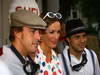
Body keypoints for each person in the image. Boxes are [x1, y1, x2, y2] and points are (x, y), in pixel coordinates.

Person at [0, 10, 47, 75]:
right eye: (33, 31)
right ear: (17, 32)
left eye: (38, 32)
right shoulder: (3, 64)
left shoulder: (26, 59)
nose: (38, 38)